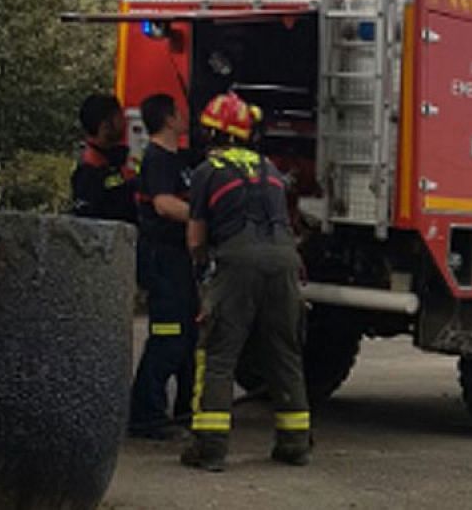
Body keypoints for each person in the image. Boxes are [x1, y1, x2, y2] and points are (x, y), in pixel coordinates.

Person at [181, 92, 311, 472]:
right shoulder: (269, 169)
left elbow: (195, 239)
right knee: (284, 353)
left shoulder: (208, 171)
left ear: (211, 133)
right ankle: (294, 444)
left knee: (219, 354)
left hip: (237, 262)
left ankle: (210, 448)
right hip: (285, 262)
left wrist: (203, 268)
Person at [128, 93, 199, 440]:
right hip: (162, 258)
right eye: (179, 112)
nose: (185, 116)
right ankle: (146, 415)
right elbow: (164, 204)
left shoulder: (177, 160)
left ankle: (186, 409)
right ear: (169, 119)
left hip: (180, 260)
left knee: (188, 336)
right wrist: (204, 218)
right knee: (168, 336)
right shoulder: (156, 159)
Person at [70, 94, 136, 224]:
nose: (125, 122)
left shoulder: (118, 157)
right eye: (119, 118)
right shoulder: (87, 175)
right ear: (105, 126)